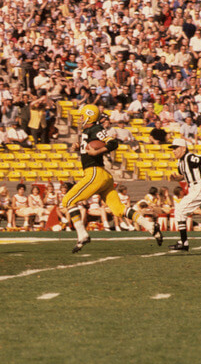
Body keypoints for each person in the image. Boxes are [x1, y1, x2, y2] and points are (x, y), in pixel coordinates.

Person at [61, 104, 163, 253]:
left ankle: (82, 234)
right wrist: (80, 147)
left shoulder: (95, 129)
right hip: (102, 175)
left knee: (68, 201)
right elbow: (90, 147)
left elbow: (113, 142)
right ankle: (150, 226)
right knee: (118, 209)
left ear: (89, 116)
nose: (80, 118)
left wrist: (98, 152)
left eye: (82, 115)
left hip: (95, 173)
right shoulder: (88, 131)